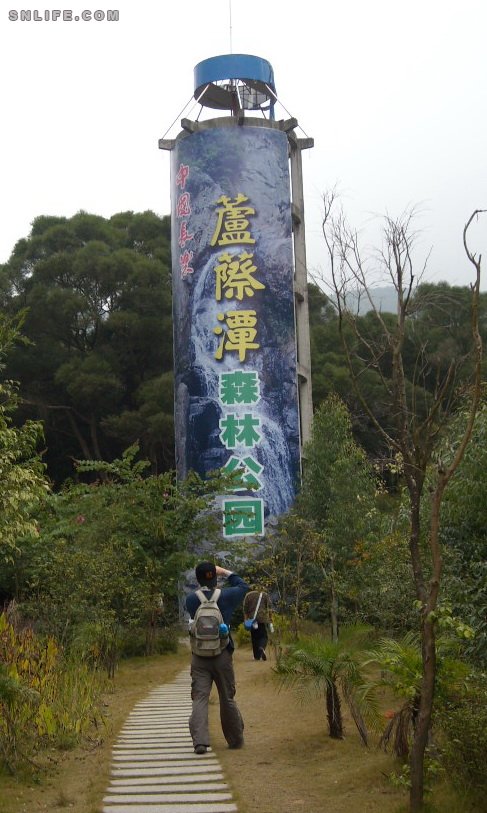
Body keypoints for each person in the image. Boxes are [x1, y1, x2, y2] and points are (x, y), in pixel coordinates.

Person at [185, 561, 249, 755]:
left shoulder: (190, 599)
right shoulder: (227, 596)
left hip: (199, 656)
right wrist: (226, 572)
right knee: (227, 698)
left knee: (200, 698)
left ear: (197, 578)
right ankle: (235, 739)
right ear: (215, 576)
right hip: (222, 654)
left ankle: (200, 742)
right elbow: (244, 586)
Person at [243, 588, 273, 661]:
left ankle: (256, 656)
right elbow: (269, 608)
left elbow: (245, 609)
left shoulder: (248, 595)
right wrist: (271, 618)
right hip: (262, 619)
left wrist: (246, 620)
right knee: (263, 636)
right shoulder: (265, 595)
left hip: (252, 620)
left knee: (254, 637)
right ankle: (262, 647)